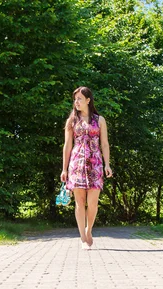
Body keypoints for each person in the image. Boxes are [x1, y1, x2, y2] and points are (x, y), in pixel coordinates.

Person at [61, 87, 112, 250]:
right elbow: (67, 145)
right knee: (79, 202)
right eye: (75, 99)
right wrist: (64, 169)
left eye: (80, 99)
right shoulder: (72, 121)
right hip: (77, 164)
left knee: (93, 203)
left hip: (95, 163)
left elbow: (104, 143)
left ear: (88, 100)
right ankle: (83, 238)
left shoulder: (100, 120)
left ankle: (88, 230)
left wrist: (107, 164)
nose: (76, 102)